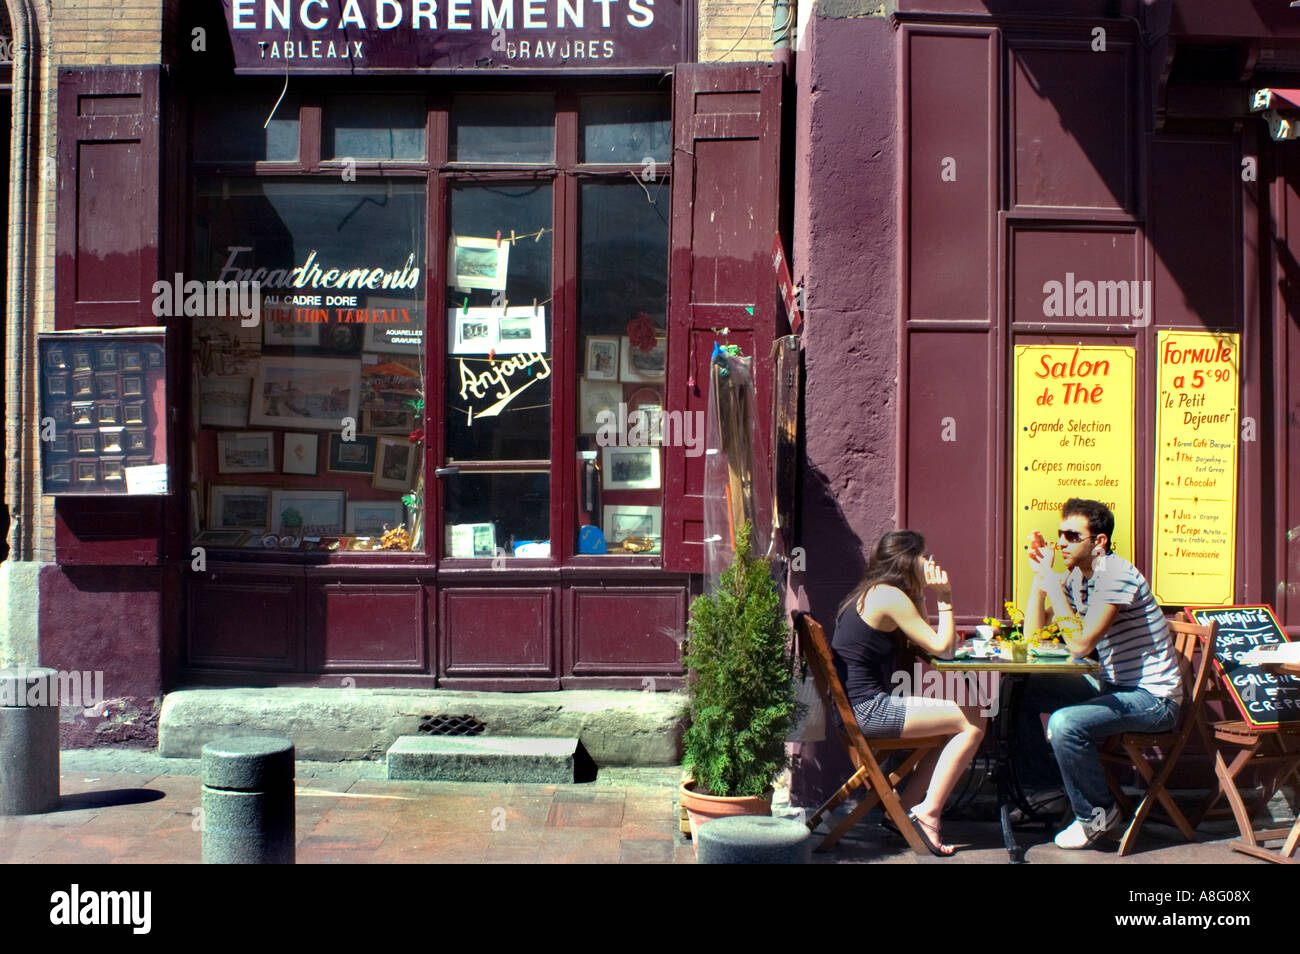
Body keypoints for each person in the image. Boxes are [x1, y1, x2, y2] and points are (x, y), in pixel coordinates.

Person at [1021, 498, 1182, 849]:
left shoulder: (1115, 574)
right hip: (1112, 688)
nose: (1061, 542)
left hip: (1153, 700)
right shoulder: (1079, 579)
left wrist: (1052, 583)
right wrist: (1040, 579)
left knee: (1065, 724)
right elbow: (1033, 638)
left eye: (1071, 535)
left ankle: (1098, 812)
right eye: (1059, 534)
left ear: (1099, 541)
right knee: (1020, 692)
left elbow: (1079, 645)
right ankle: (1045, 792)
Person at [830, 530, 987, 856]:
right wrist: (944, 596)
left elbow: (922, 638)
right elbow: (943, 650)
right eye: (924, 556)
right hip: (870, 711)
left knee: (953, 724)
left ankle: (903, 809)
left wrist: (918, 593)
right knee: (974, 718)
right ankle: (928, 812)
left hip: (856, 710)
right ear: (907, 560)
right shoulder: (889, 597)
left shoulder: (878, 592)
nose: (930, 562)